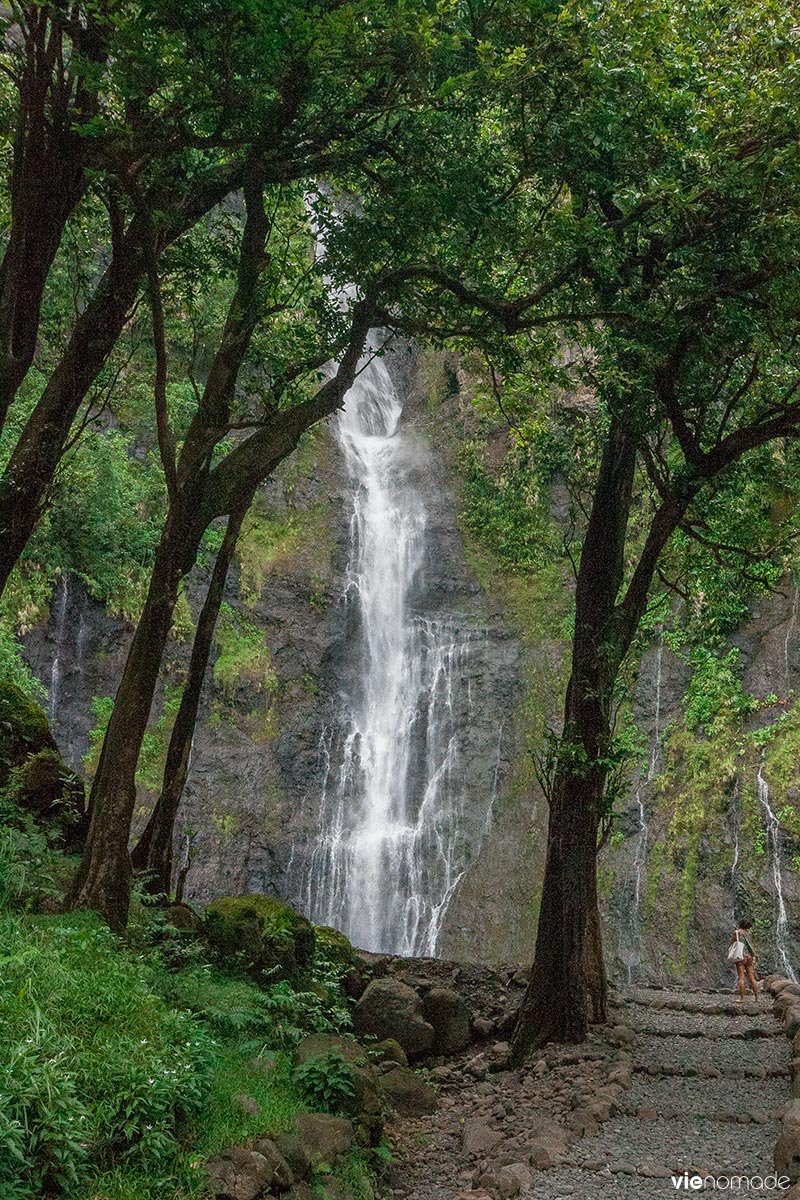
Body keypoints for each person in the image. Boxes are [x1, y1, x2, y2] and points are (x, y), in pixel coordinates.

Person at [729, 920, 759, 1002]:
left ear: (740, 924)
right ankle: (756, 998)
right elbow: (750, 946)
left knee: (741, 977)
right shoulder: (749, 934)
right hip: (749, 956)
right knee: (752, 978)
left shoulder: (736, 933)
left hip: (741, 956)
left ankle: (741, 998)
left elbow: (732, 943)